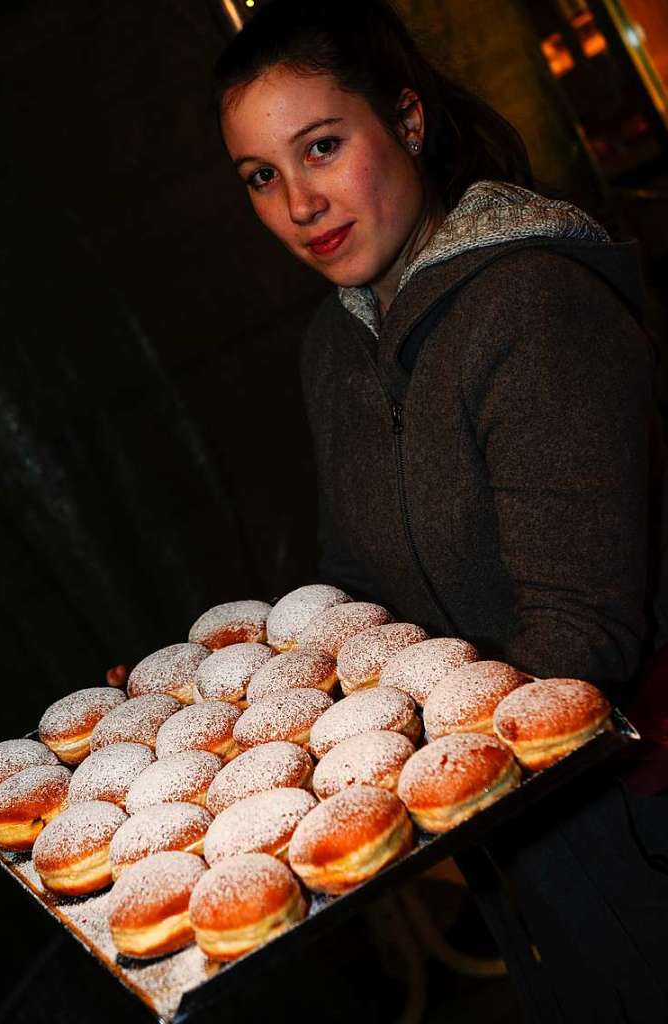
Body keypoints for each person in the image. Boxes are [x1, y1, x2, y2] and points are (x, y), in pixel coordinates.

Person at [213, 1, 668, 1021]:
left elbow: (581, 639)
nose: (298, 202)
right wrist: (260, 729)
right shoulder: (335, 347)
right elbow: (356, 597)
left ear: (406, 121)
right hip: (512, 839)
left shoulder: (532, 305)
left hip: (631, 816)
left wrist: (381, 785)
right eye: (260, 176)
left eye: (321, 147)